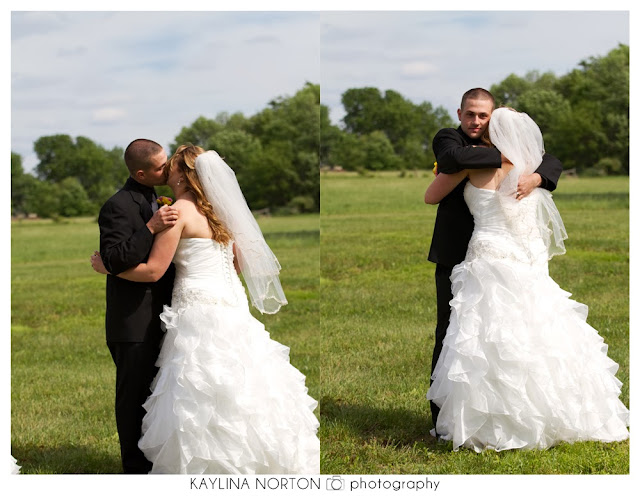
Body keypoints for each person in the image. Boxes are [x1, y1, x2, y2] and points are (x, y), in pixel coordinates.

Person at [92, 144, 319, 473]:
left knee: (197, 388)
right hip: (231, 305)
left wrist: (108, 267)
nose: (166, 168)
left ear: (182, 176)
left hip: (196, 307)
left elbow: (154, 271)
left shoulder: (178, 213)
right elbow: (240, 263)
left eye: (171, 165)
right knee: (242, 382)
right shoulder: (218, 211)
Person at [424, 107, 629, 451]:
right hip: (525, 259)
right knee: (535, 331)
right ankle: (550, 411)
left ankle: (484, 420)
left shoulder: (474, 165)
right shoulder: (530, 169)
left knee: (483, 338)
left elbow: (431, 195)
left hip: (488, 255)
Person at [426, 88, 563, 431]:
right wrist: (509, 159)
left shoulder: (528, 166)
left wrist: (536, 175)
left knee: (499, 335)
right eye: (470, 114)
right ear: (460, 113)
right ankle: (443, 413)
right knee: (451, 333)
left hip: (494, 252)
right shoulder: (449, 139)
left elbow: (553, 162)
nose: (475, 121)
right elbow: (451, 158)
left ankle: (495, 414)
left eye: (483, 116)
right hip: (459, 252)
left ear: (491, 121)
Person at [95, 138, 178, 473]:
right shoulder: (117, 206)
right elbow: (114, 258)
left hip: (167, 314)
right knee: (134, 400)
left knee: (159, 395)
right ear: (141, 173)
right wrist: (150, 227)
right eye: (161, 166)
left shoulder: (160, 196)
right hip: (133, 322)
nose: (167, 168)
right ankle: (135, 470)